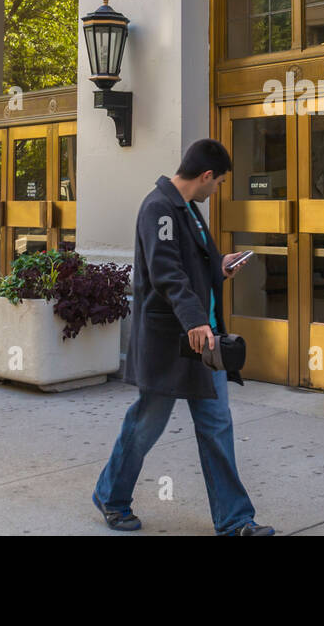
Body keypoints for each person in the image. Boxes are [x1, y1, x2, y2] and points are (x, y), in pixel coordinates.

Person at [92, 138, 274, 536]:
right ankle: (111, 496)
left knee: (217, 426)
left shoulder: (189, 210)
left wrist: (219, 266)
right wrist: (194, 321)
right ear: (206, 175)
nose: (217, 190)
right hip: (170, 343)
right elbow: (166, 272)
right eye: (219, 182)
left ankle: (235, 520)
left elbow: (192, 265)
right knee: (146, 425)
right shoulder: (159, 208)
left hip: (204, 343)